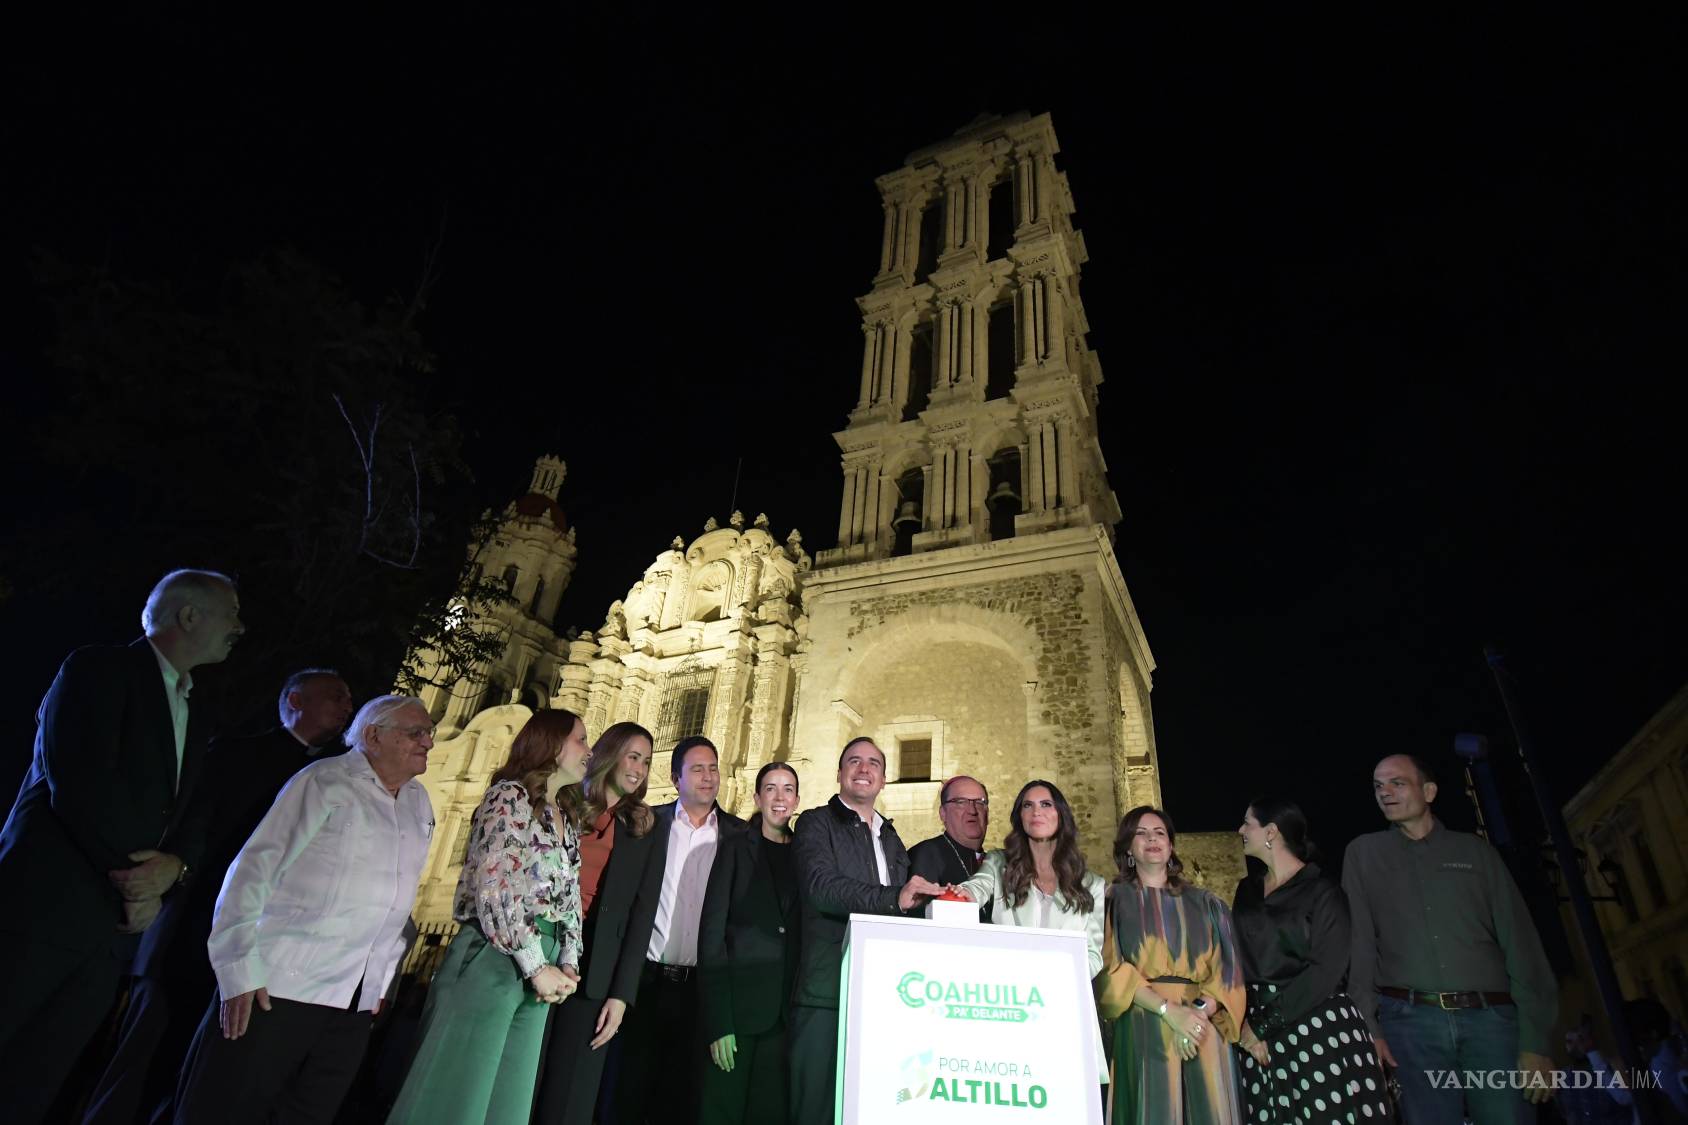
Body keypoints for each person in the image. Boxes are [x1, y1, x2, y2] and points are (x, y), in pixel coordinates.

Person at [0, 569, 242, 1125]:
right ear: (189, 616)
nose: (240, 628)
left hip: (109, 937)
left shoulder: (195, 709)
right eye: (232, 614)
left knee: (35, 1081)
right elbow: (80, 784)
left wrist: (175, 870)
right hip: (43, 914)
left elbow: (193, 813)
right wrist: (133, 882)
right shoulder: (98, 670)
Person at [85, 668, 353, 1125]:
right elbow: (195, 833)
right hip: (189, 937)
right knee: (144, 1062)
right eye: (335, 697)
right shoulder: (238, 755)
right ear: (295, 701)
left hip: (248, 951)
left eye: (349, 701)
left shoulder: (328, 776)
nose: (347, 708)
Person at [171, 694, 435, 1124]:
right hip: (277, 989)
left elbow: (398, 899)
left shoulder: (419, 803)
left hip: (353, 1004)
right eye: (416, 733)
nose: (429, 743)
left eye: (430, 733)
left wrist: (380, 984)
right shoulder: (324, 782)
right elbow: (253, 871)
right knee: (223, 1110)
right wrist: (237, 970)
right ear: (373, 735)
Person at [384, 708, 592, 1124]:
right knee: (458, 1091)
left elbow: (569, 895)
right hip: (497, 954)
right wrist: (535, 966)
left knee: (507, 1099)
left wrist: (568, 960)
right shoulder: (509, 798)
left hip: (546, 964)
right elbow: (495, 886)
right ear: (550, 745)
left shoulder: (565, 816)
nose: (589, 750)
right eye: (581, 740)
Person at [1344, 754, 1557, 1124]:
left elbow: (1521, 944)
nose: (1385, 793)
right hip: (1410, 1026)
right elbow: (1359, 947)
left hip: (1490, 1023)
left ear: (1429, 791)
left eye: (1398, 783)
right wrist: (1369, 1029)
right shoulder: (1364, 854)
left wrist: (1535, 1041)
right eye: (1378, 786)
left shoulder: (1475, 852)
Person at [789, 736, 945, 1124]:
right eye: (854, 761)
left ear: (884, 779)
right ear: (839, 773)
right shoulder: (814, 822)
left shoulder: (890, 837)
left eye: (873, 763)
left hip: (879, 994)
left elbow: (904, 904)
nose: (864, 769)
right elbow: (821, 887)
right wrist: (896, 898)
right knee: (815, 1108)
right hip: (825, 990)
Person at [603, 735, 746, 1123]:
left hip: (700, 989)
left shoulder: (739, 836)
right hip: (646, 983)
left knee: (681, 1102)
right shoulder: (649, 824)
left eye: (713, 768)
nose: (708, 777)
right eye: (697, 769)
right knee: (626, 1094)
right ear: (675, 777)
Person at [1232, 796, 1392, 1124]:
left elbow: (1327, 970)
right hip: (1259, 1037)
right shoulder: (1246, 892)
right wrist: (1247, 1025)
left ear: (1271, 832)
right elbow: (1236, 960)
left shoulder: (1323, 892)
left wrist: (1262, 1026)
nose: (1240, 830)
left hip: (1317, 1029)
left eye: (1247, 823)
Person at [532, 722, 660, 1125]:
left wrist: (620, 996)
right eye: (633, 756)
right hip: (541, 950)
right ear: (610, 753)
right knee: (523, 1079)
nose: (639, 768)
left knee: (570, 1095)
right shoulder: (562, 803)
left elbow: (642, 917)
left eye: (646, 761)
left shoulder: (644, 827)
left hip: (594, 971)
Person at [1096, 804, 1246, 1124]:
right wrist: (1169, 1011)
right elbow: (1110, 968)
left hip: (1203, 1030)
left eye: (1159, 832)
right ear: (1128, 849)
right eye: (1141, 833)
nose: (1152, 839)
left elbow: (1227, 970)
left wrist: (1196, 1016)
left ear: (1171, 845)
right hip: (1144, 1026)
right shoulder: (1112, 901)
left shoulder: (1208, 903)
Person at [952, 780, 1107, 1084]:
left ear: (1060, 814)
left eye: (1046, 804)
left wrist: (1052, 976)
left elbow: (1093, 955)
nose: (1037, 811)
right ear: (1020, 818)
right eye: (1028, 805)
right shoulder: (998, 864)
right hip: (1011, 1007)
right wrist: (959, 894)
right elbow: (976, 887)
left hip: (1065, 1011)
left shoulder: (1093, 885)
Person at [697, 761, 802, 1125]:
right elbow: (712, 935)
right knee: (721, 1112)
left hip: (784, 1016)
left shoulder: (805, 855)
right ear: (757, 797)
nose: (779, 797)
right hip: (736, 1015)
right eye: (770, 788)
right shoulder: (734, 847)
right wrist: (719, 1022)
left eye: (787, 789)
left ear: (796, 799)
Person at [908, 774, 992, 921]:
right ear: (943, 814)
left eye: (980, 802)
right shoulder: (926, 854)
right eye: (960, 802)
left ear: (988, 814)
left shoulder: (995, 862)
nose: (972, 810)